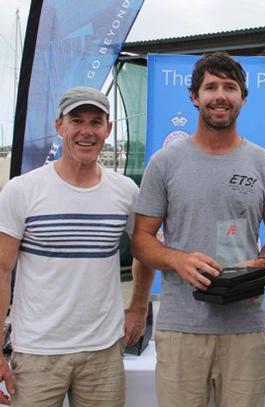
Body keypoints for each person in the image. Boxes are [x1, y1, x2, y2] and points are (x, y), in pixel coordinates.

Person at [131, 51, 265, 407]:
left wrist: (260, 264)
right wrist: (177, 260)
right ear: (194, 96)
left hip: (245, 327)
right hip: (181, 328)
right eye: (211, 86)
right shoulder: (165, 162)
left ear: (243, 98)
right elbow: (141, 240)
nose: (220, 95)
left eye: (230, 87)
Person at [0, 86, 154, 406]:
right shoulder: (21, 191)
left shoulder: (125, 192)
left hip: (103, 352)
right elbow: (2, 270)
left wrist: (138, 307)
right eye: (77, 121)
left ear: (108, 130)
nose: (86, 131)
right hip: (37, 353)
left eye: (96, 122)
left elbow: (146, 250)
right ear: (60, 126)